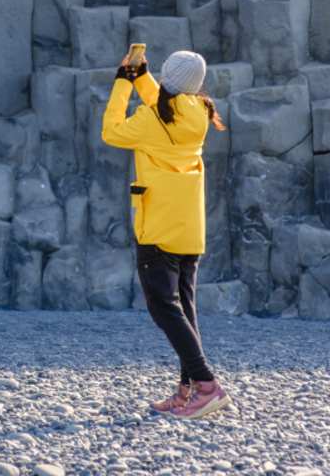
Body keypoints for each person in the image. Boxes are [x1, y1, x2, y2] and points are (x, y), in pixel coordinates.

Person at [101, 48, 231, 420]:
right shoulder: (198, 110)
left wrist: (123, 84)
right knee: (184, 308)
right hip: (188, 224)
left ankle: (207, 386)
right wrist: (140, 75)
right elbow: (163, 100)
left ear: (168, 78)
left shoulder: (151, 119)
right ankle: (187, 391)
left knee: (162, 306)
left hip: (158, 222)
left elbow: (111, 131)